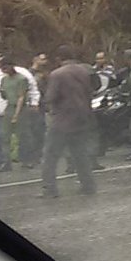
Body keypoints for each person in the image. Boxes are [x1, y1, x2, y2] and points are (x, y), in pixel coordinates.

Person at [41, 45, 97, 198]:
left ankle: (50, 189)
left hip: (62, 120)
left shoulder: (57, 74)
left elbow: (51, 97)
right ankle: (88, 186)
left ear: (59, 58)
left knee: (50, 155)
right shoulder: (84, 71)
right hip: (82, 118)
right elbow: (90, 92)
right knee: (80, 154)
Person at [0, 57, 41, 172]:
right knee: (3, 137)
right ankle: (4, 162)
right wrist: (0, 95)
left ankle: (27, 159)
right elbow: (2, 95)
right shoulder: (2, 79)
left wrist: (17, 114)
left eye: (5, 67)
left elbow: (21, 97)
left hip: (20, 109)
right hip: (7, 109)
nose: (3, 70)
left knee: (24, 135)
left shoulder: (22, 77)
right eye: (1, 68)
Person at [18, 52, 49, 169]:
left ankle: (38, 156)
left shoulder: (46, 74)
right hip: (29, 107)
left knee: (40, 132)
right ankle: (27, 158)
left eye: (45, 59)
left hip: (41, 106)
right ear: (35, 59)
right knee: (28, 133)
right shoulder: (27, 74)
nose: (44, 62)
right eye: (42, 59)